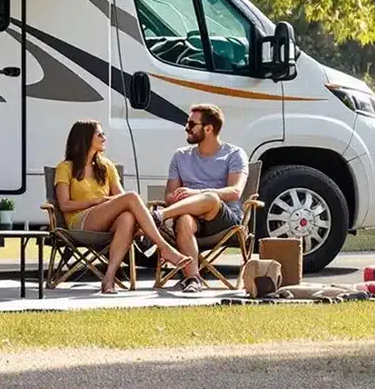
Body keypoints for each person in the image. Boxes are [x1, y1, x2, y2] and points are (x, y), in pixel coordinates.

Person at [51, 121, 192, 293]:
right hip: (80, 222)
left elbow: (121, 198)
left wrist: (114, 206)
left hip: (106, 220)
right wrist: (95, 202)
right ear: (86, 138)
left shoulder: (106, 166)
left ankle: (108, 279)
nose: (104, 138)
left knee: (128, 217)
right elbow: (64, 205)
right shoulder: (65, 168)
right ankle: (163, 247)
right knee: (131, 197)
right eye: (100, 135)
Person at [152, 103, 248, 292]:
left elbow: (235, 191)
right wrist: (180, 198)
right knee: (185, 220)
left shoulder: (234, 154)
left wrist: (197, 193)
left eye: (191, 124)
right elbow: (169, 195)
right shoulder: (180, 156)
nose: (186, 128)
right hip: (191, 217)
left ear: (209, 128)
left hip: (224, 220)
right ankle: (193, 279)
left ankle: (158, 216)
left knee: (211, 197)